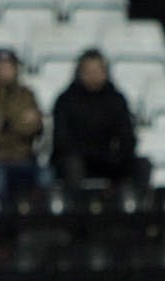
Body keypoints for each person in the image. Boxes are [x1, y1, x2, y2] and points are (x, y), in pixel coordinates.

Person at [51, 49, 142, 192]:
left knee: (141, 165)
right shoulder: (66, 100)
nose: (93, 75)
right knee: (72, 164)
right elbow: (61, 140)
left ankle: (134, 209)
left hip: (109, 159)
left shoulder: (116, 99)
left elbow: (127, 136)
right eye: (88, 71)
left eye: (97, 70)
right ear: (80, 73)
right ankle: (76, 210)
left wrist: (116, 155)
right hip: (77, 158)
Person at [0, 48, 44, 204]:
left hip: (23, 157)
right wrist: (19, 122)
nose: (5, 71)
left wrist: (3, 125)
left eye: (9, 67)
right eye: (1, 67)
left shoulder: (27, 95)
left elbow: (36, 127)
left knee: (46, 177)